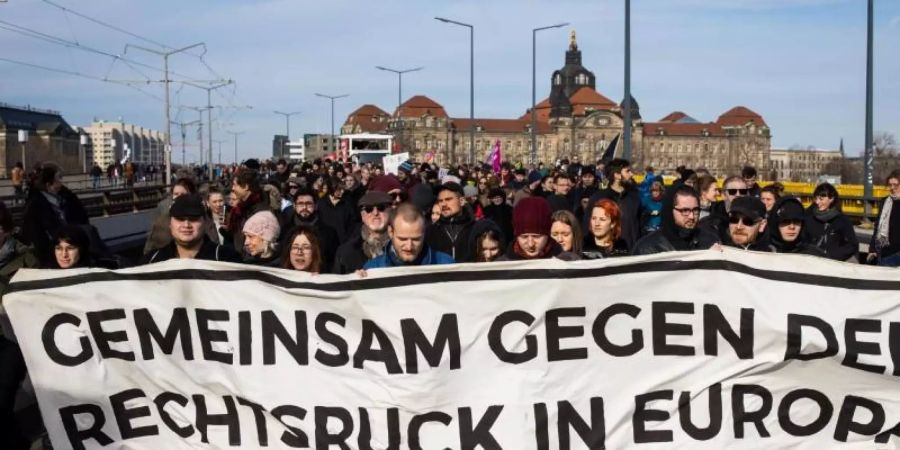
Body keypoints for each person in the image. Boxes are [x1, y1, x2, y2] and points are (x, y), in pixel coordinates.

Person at [21, 163, 89, 267]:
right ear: (49, 185)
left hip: (73, 254)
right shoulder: (35, 206)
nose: (61, 182)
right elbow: (36, 238)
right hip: (51, 259)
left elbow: (82, 219)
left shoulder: (67, 198)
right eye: (59, 178)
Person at [142, 194, 241, 264]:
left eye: (193, 219)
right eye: (180, 219)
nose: (186, 225)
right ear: (170, 223)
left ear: (205, 222)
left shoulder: (227, 259)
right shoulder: (152, 261)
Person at [632, 185, 719, 255]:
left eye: (695, 210)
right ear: (670, 211)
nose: (692, 216)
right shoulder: (647, 249)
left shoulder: (710, 241)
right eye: (685, 210)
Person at [363, 202, 454, 269]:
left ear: (424, 233)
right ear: (391, 232)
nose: (409, 246)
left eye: (416, 239)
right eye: (402, 239)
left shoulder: (446, 265)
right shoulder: (372, 269)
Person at [280, 186, 339, 273]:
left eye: (308, 204)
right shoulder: (285, 230)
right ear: (294, 206)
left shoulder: (329, 232)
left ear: (315, 206)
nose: (304, 207)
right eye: (300, 204)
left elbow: (333, 261)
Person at [332, 191, 393, 274]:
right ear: (362, 216)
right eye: (368, 209)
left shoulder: (402, 247)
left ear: (391, 212)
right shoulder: (346, 252)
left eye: (381, 208)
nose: (375, 213)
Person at [589, 158, 643, 249]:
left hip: (631, 254)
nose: (631, 174)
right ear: (617, 175)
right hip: (606, 256)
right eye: (627, 171)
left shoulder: (634, 198)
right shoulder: (598, 198)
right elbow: (589, 228)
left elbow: (640, 227)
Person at [497, 196, 567, 261]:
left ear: (548, 233)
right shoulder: (500, 267)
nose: (531, 244)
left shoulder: (569, 262)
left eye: (536, 236)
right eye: (524, 237)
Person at [805, 182, 858, 262]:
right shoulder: (809, 217)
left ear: (831, 199)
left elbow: (852, 245)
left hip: (834, 263)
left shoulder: (842, 220)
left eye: (821, 199)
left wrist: (831, 256)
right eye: (816, 199)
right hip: (812, 262)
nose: (817, 202)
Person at [426, 182, 477, 262]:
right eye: (440, 201)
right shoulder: (430, 231)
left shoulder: (476, 228)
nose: (443, 204)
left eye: (448, 199)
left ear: (462, 201)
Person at [227, 169, 271, 254]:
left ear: (246, 187)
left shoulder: (260, 211)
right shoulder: (241, 209)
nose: (232, 188)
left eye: (235, 185)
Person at [701, 175, 748, 242]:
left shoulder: (755, 220)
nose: (738, 194)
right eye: (732, 191)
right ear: (723, 195)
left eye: (743, 191)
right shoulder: (709, 222)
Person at [869, 169, 900, 266]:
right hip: (883, 251)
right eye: (890, 185)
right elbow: (877, 225)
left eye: (896, 185)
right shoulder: (885, 201)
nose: (892, 188)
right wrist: (872, 248)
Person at [317, 177, 357, 242]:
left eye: (343, 189)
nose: (342, 191)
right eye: (339, 189)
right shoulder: (321, 203)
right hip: (325, 242)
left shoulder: (347, 204)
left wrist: (347, 238)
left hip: (343, 242)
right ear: (332, 189)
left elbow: (353, 222)